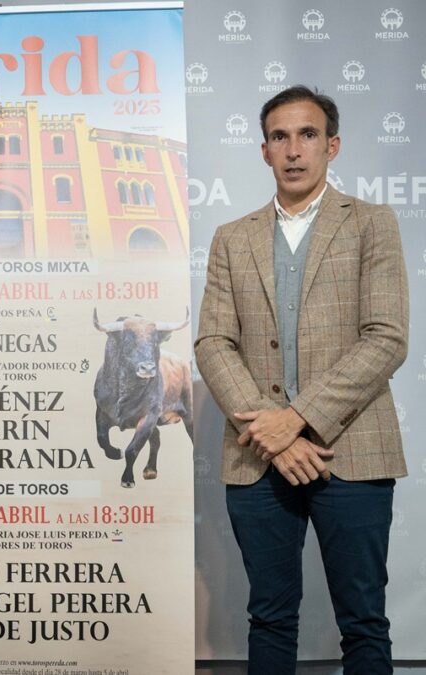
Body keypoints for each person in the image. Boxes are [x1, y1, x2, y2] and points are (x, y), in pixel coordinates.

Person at [195, 85, 408, 674]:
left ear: (332, 145)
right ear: (264, 150)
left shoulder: (372, 223)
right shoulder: (232, 237)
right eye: (280, 137)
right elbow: (213, 342)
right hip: (259, 458)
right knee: (268, 616)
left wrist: (297, 419)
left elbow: (387, 336)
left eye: (308, 134)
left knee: (363, 621)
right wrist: (277, 437)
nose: (294, 149)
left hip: (355, 451)